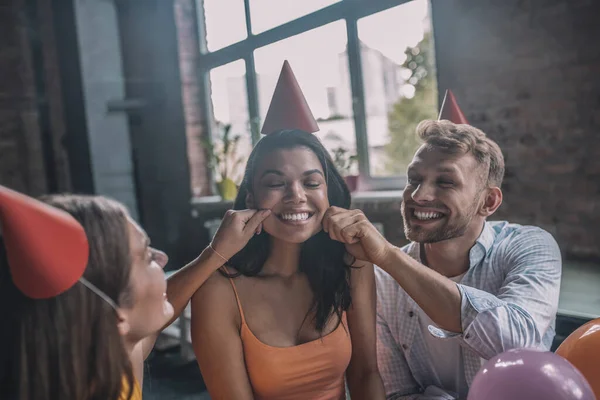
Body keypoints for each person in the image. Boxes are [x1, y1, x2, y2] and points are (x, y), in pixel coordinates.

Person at [322, 91, 562, 399]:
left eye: (445, 182)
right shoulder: (383, 280)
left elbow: (516, 343)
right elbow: (397, 392)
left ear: (488, 201)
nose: (419, 195)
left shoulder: (530, 246)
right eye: (414, 179)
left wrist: (388, 256)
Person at [190, 61, 385, 400]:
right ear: (251, 197)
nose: (296, 196)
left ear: (328, 194)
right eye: (276, 183)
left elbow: (366, 374)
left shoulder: (351, 265)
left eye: (311, 182)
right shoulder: (218, 290)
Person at [0, 187, 268, 400]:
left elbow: (159, 311)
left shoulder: (113, 362)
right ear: (116, 318)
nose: (162, 259)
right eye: (146, 256)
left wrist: (215, 253)